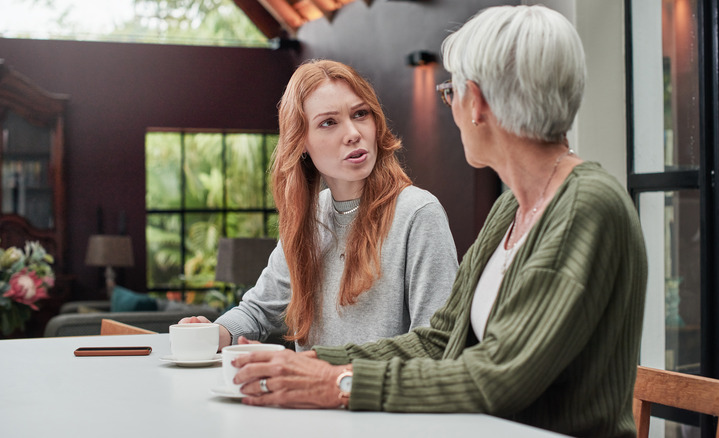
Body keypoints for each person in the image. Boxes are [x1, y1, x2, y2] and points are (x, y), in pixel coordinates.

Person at [228, 5, 648, 437]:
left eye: (451, 92)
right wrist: (317, 365)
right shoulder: (513, 208)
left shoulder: (586, 208)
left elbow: (498, 377)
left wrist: (340, 383)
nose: (450, 106)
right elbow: (442, 338)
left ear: (478, 103)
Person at [181, 59, 458, 351]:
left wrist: (334, 377)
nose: (353, 133)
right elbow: (258, 310)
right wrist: (214, 332)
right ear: (300, 141)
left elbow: (436, 345)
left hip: (373, 395)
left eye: (360, 114)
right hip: (304, 397)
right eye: (329, 122)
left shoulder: (418, 213)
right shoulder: (311, 217)